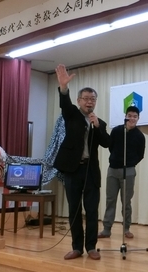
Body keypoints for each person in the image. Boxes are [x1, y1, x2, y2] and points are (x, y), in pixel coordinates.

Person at [53, 64, 110, 260]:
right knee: (74, 209)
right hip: (73, 170)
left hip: (91, 172)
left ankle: (91, 247)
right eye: (86, 99)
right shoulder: (72, 115)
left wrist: (97, 127)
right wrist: (63, 88)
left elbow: (106, 143)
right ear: (79, 101)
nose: (89, 102)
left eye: (92, 99)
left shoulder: (99, 122)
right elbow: (64, 104)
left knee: (92, 210)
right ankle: (77, 247)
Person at [98, 106, 145, 239]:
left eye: (134, 116)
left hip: (128, 171)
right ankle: (107, 229)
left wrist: (130, 163)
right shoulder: (117, 131)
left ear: (138, 118)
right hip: (113, 169)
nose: (132, 118)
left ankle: (126, 228)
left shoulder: (139, 136)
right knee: (110, 200)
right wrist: (116, 160)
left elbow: (140, 154)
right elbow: (111, 147)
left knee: (126, 202)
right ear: (125, 116)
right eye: (129, 115)